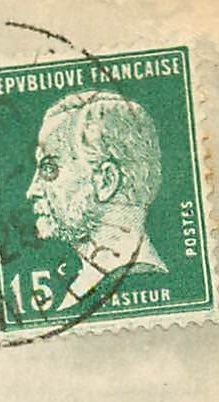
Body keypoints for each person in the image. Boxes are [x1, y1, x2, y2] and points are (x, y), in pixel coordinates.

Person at [25, 89, 167, 309]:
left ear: (106, 182)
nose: (32, 190)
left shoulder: (136, 284)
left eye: (49, 169)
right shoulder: (84, 283)